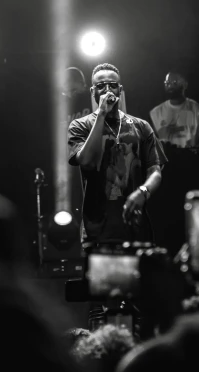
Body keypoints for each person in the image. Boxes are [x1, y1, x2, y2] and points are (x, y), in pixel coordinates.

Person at [68, 63, 166, 245]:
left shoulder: (141, 126)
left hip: (136, 226)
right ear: (92, 91)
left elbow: (155, 171)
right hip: (97, 229)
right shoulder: (80, 126)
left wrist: (143, 191)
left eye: (112, 85)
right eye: (100, 86)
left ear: (120, 90)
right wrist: (102, 114)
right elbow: (87, 162)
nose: (107, 90)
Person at [150, 71, 199, 149]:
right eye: (167, 83)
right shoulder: (155, 113)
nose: (170, 86)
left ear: (185, 85)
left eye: (174, 83)